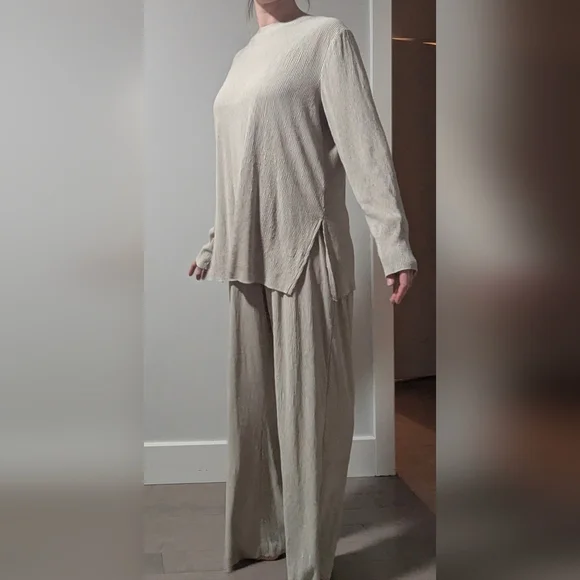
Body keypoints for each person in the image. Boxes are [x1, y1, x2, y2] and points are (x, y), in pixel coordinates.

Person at [188, 1, 417, 579]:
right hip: (245, 253)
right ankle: (262, 535)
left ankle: (310, 563)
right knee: (253, 414)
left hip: (305, 246)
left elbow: (364, 145)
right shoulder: (243, 58)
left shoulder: (325, 38)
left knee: (310, 417)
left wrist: (392, 243)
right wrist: (215, 241)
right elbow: (238, 163)